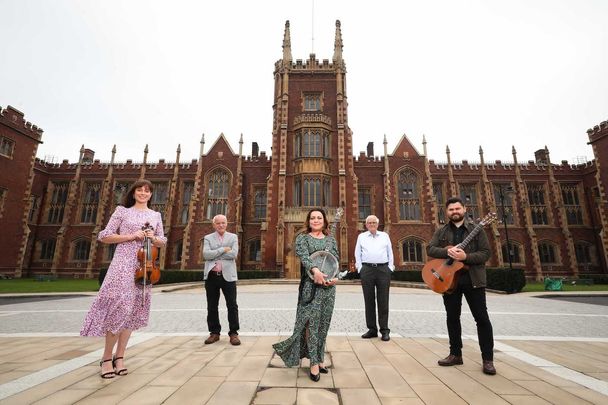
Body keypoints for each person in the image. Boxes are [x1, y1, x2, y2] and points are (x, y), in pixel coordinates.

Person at [81, 179, 166, 379]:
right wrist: (131, 236)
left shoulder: (155, 215)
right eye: (140, 190)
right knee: (119, 308)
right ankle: (106, 358)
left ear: (151, 194)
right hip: (122, 264)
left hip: (144, 267)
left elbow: (163, 240)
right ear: (133, 192)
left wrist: (153, 237)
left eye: (147, 191)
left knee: (133, 312)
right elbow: (104, 235)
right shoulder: (122, 211)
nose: (143, 193)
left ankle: (120, 357)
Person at [427, 197, 496, 375]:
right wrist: (447, 251)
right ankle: (455, 354)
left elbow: (486, 253)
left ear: (465, 209)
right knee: (452, 318)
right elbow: (430, 249)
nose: (455, 212)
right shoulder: (441, 231)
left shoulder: (477, 229)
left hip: (473, 279)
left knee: (481, 319)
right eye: (451, 209)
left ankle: (487, 359)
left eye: (458, 209)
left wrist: (466, 257)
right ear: (446, 212)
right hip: (449, 280)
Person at [273, 208, 339, 382]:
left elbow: (335, 261)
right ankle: (313, 363)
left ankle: (320, 358)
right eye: (312, 218)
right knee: (310, 324)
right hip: (310, 287)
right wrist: (315, 271)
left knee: (323, 324)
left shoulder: (331, 240)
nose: (316, 220)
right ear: (308, 221)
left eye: (319, 218)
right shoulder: (302, 238)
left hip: (328, 289)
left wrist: (335, 278)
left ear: (324, 221)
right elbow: (304, 257)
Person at [354, 215, 395, 341]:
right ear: (366, 225)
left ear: (377, 224)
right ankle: (372, 329)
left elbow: (390, 252)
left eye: (374, 222)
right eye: (369, 223)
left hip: (383, 270)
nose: (371, 224)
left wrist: (390, 267)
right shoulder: (361, 237)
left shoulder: (384, 236)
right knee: (369, 300)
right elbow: (357, 253)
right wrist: (360, 268)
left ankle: (384, 330)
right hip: (367, 270)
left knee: (383, 300)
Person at [202, 214, 240, 345]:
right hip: (212, 276)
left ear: (227, 223)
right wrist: (223, 249)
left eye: (223, 223)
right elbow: (206, 255)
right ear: (214, 225)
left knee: (232, 305)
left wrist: (215, 252)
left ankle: (234, 333)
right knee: (212, 306)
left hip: (228, 276)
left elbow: (234, 254)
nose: (221, 225)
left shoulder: (233, 237)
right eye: (218, 223)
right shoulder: (207, 238)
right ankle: (214, 333)